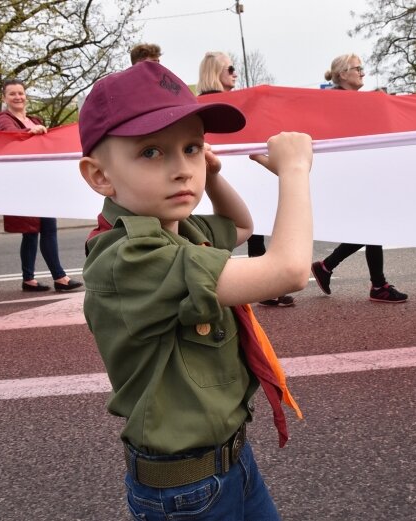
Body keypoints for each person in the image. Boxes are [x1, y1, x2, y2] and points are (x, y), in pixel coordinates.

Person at [78, 61, 312, 520]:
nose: (183, 170)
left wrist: (216, 176)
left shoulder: (179, 229)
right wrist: (295, 172)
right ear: (100, 176)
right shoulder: (132, 257)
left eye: (191, 148)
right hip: (185, 490)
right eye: (151, 152)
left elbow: (242, 226)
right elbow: (289, 270)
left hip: (231, 461)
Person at [197, 51, 294, 307]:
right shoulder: (206, 107)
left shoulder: (234, 104)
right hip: (221, 174)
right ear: (214, 72)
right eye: (230, 69)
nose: (235, 73)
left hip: (237, 172)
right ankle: (226, 284)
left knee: (253, 229)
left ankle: (261, 286)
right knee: (223, 230)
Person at [310, 53, 408, 303]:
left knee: (371, 224)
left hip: (359, 171)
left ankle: (333, 268)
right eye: (358, 68)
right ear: (343, 74)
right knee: (372, 224)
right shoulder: (336, 100)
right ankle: (375, 284)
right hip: (350, 174)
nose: (363, 72)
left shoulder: (350, 99)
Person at [0, 79, 82, 292]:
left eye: (21, 93)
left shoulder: (34, 119)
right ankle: (58, 277)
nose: (18, 97)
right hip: (23, 183)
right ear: (4, 98)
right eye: (12, 94)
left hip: (40, 181)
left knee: (38, 230)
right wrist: (29, 133)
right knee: (37, 230)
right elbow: (8, 135)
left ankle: (30, 279)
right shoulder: (3, 118)